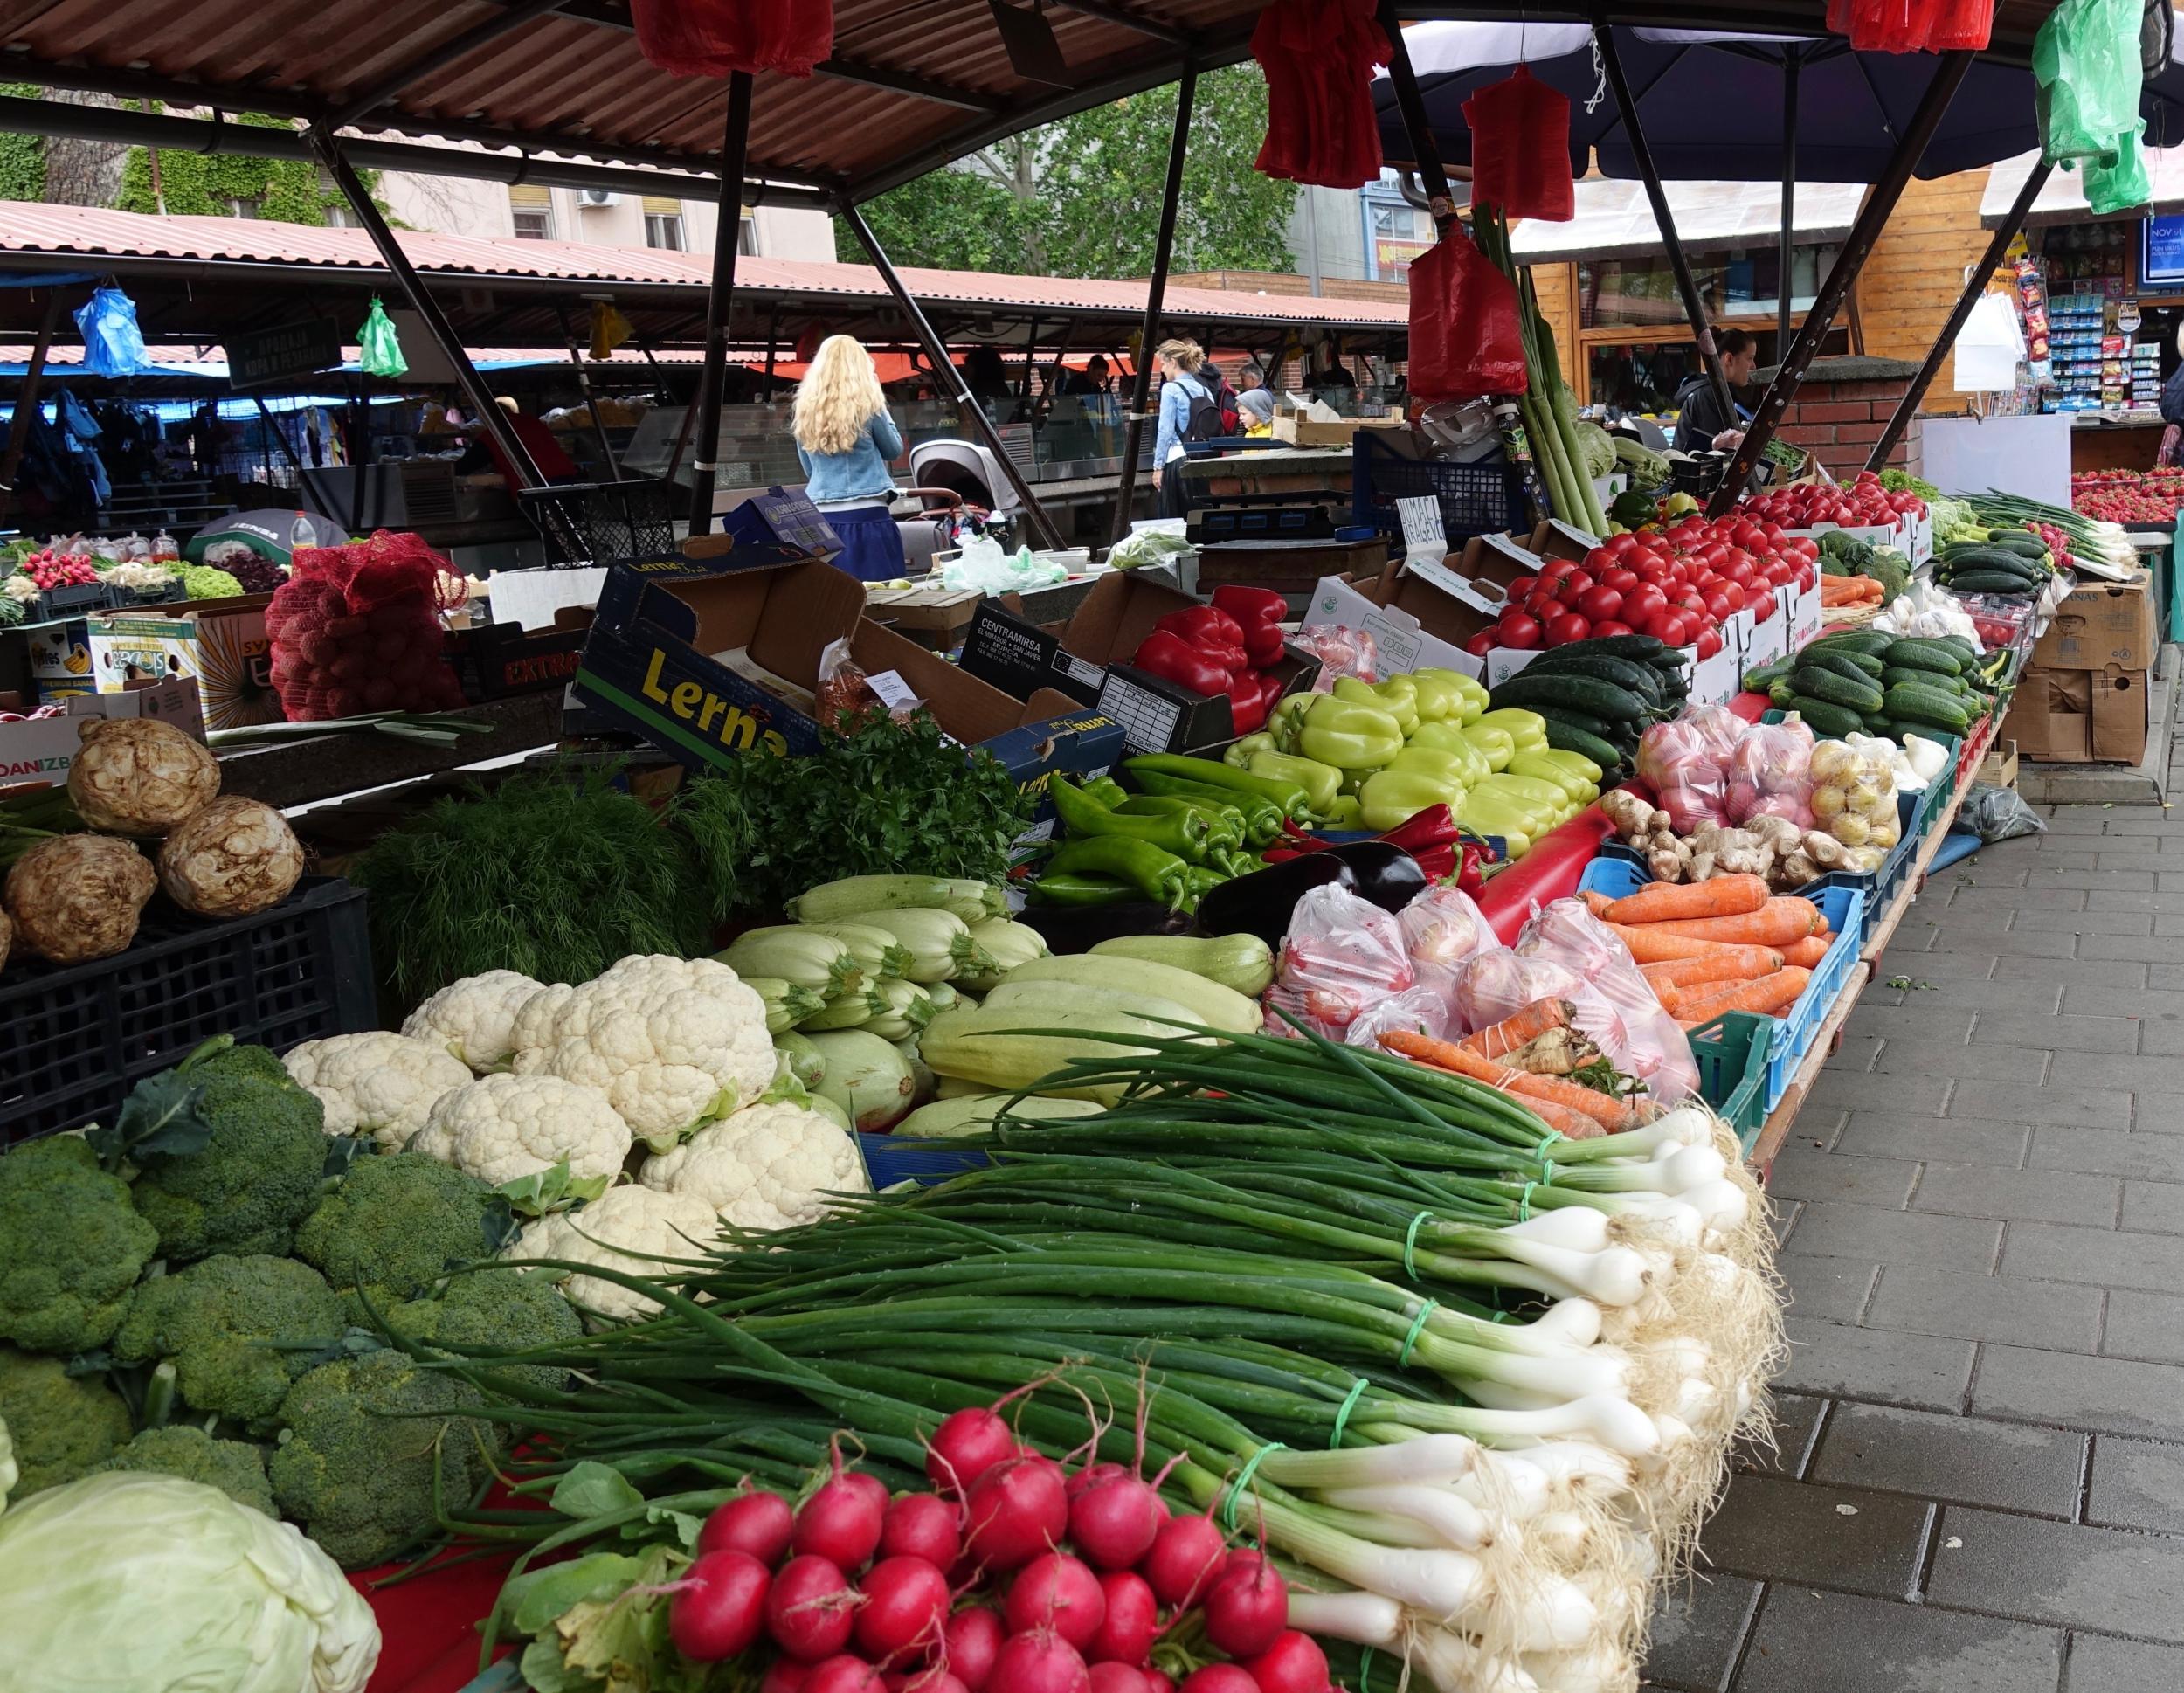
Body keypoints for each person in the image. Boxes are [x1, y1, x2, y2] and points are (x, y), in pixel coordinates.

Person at [792, 334, 909, 583]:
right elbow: (893, 450)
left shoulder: (805, 411)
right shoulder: (870, 406)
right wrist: (880, 403)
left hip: (822, 517)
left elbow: (809, 470)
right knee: (883, 594)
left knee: (834, 596)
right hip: (869, 513)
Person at [1150, 338, 1220, 519]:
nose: (1162, 370)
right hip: (1202, 460)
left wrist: (1158, 467)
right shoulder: (1203, 389)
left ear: (1172, 362)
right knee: (1201, 517)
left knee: (1174, 521)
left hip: (1178, 459)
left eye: (1163, 364)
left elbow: (1165, 430)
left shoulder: (1170, 389)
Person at [1671, 328, 1758, 454]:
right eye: (1750, 358)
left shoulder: (1719, 392)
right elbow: (1719, 453)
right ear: (1729, 359)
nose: (1753, 366)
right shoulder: (1707, 396)